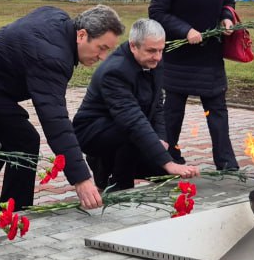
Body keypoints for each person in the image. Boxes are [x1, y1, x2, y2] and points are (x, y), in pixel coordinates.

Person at [0, 4, 124, 210]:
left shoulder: (58, 18)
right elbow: (56, 122)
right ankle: (15, 212)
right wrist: (81, 178)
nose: (103, 57)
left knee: (0, 140)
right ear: (81, 35)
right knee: (25, 139)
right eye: (101, 47)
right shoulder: (53, 57)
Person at [74, 18, 200, 191]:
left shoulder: (154, 60)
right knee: (139, 140)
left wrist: (161, 139)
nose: (157, 57)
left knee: (160, 170)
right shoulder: (115, 71)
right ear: (133, 46)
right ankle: (119, 184)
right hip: (94, 131)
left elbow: (157, 104)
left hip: (129, 126)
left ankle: (112, 165)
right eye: (151, 51)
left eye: (160, 50)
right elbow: (131, 120)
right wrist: (167, 162)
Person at [149, 0, 240, 170]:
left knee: (217, 111)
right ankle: (168, 158)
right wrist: (185, 30)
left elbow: (228, 3)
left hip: (210, 57)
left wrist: (227, 19)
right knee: (173, 111)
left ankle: (226, 162)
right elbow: (157, 12)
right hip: (180, 57)